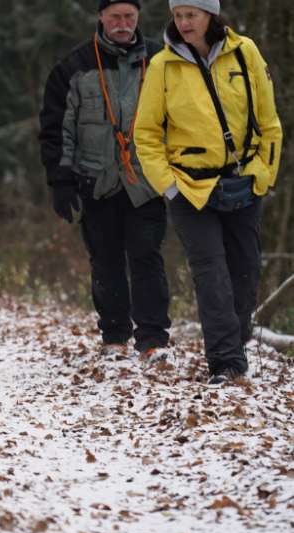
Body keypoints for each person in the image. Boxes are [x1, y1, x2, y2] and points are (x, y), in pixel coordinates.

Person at [134, 0, 282, 385]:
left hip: (243, 182)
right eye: (178, 15)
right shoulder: (162, 66)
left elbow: (269, 122)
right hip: (190, 189)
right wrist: (168, 186)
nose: (183, 23)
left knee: (245, 272)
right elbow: (146, 134)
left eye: (191, 15)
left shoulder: (245, 51)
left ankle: (237, 340)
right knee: (210, 271)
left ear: (210, 15)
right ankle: (226, 362)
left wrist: (261, 175)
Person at [39, 0, 172, 362]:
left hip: (146, 182)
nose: (123, 24)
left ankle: (153, 339)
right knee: (105, 259)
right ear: (101, 17)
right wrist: (60, 181)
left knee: (147, 257)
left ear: (139, 18)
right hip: (95, 181)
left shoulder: (160, 62)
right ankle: (114, 336)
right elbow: (57, 130)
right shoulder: (73, 67)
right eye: (115, 16)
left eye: (129, 16)